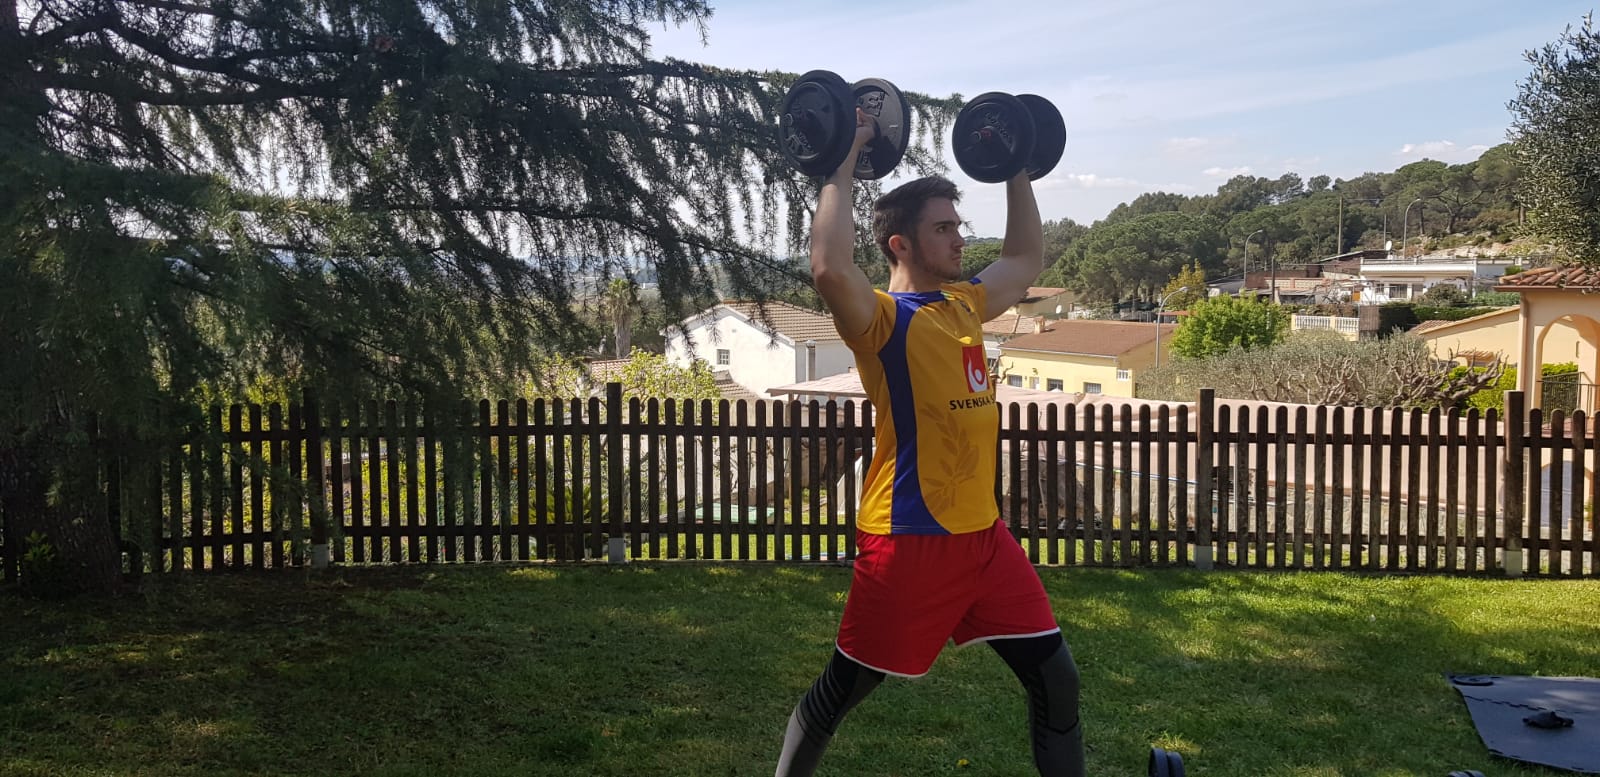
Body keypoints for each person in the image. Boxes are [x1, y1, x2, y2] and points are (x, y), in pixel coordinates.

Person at [774, 110, 1085, 776]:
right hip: (909, 540)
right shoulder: (882, 321)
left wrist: (1015, 164)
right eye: (943, 228)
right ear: (899, 244)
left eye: (957, 225)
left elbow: (1025, 259)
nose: (958, 239)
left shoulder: (966, 304)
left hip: (985, 539)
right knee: (845, 687)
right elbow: (829, 266)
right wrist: (848, 157)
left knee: (1056, 678)